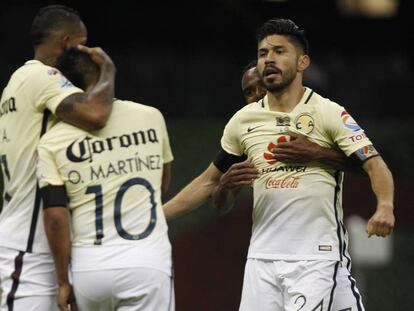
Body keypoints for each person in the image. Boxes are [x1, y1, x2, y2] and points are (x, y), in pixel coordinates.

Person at [164, 18, 394, 310]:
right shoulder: (243, 122)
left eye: (279, 51)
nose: (269, 59)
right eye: (263, 53)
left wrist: (385, 206)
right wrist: (158, 217)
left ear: (302, 62)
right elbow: (208, 182)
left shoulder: (327, 112)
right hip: (261, 260)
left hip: (315, 256)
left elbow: (375, 164)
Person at [37, 49, 174, 311]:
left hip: (90, 268)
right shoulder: (150, 116)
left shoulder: (51, 141)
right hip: (145, 262)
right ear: (105, 76)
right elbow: (160, 186)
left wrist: (63, 281)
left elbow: (55, 217)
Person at [0, 5, 115, 310]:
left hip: (31, 237)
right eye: (83, 43)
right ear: (67, 43)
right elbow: (97, 115)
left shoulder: (17, 81)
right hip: (29, 243)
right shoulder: (43, 77)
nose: (86, 51)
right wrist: (108, 71)